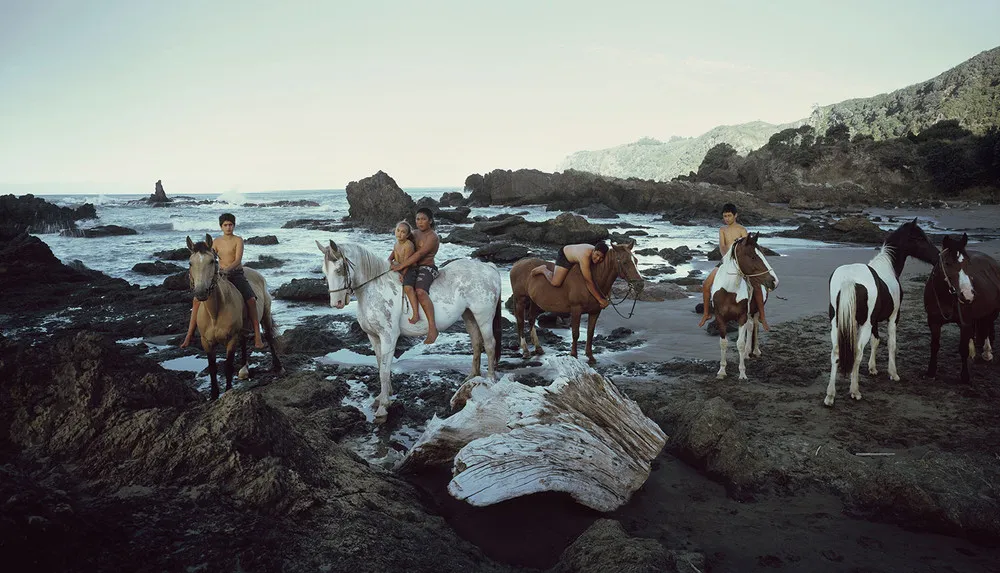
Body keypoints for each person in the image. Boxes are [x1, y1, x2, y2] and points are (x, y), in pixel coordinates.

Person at [181, 213, 264, 349]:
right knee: (197, 300)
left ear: (234, 226)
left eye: (230, 225)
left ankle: (257, 334)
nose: (228, 227)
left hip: (236, 274)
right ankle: (189, 335)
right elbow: (210, 257)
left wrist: (227, 270)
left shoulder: (238, 240)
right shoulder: (217, 242)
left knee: (251, 299)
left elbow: (237, 260)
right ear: (221, 227)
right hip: (220, 276)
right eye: (225, 225)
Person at [697, 203, 769, 331]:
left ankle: (762, 315)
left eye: (729, 216)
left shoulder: (742, 230)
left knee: (756, 286)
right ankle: (706, 314)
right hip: (725, 260)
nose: (727, 218)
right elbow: (722, 246)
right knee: (706, 284)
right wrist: (727, 259)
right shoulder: (722, 230)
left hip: (740, 262)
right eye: (725, 216)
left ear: (735, 215)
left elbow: (747, 247)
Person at [390, 208, 441, 343]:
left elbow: (419, 254)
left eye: (423, 219)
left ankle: (432, 328)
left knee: (420, 291)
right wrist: (389, 259)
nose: (420, 222)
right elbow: (399, 245)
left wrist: (400, 267)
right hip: (412, 267)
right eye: (418, 219)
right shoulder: (414, 233)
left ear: (430, 221)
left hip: (427, 267)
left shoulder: (432, 237)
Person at [530, 242, 611, 309]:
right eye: (597, 255)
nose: (597, 259)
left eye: (601, 258)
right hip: (565, 255)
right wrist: (600, 300)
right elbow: (588, 281)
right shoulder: (585, 256)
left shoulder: (597, 252)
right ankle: (543, 269)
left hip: (575, 254)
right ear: (593, 251)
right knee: (556, 282)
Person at [389, 220, 420, 324]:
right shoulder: (396, 243)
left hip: (409, 268)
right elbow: (392, 255)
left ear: (407, 235)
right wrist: (388, 262)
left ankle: (416, 314)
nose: (399, 233)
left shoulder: (408, 245)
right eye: (398, 230)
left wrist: (403, 274)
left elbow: (407, 263)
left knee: (408, 287)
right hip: (399, 267)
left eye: (403, 232)